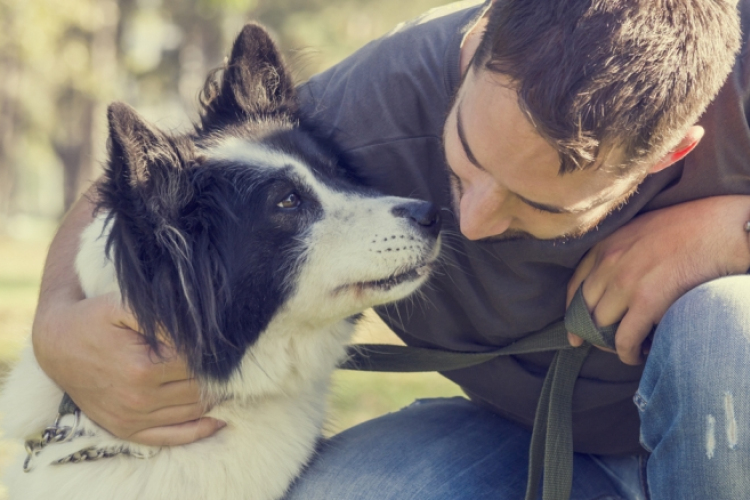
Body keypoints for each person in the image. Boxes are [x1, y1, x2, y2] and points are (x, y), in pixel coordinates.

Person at [31, 0, 750, 498]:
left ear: (669, 153)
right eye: (467, 162)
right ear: (475, 42)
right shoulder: (375, 100)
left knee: (724, 327)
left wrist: (725, 235)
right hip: (523, 440)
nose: (469, 222)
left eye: (537, 204)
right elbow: (163, 178)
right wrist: (55, 323)